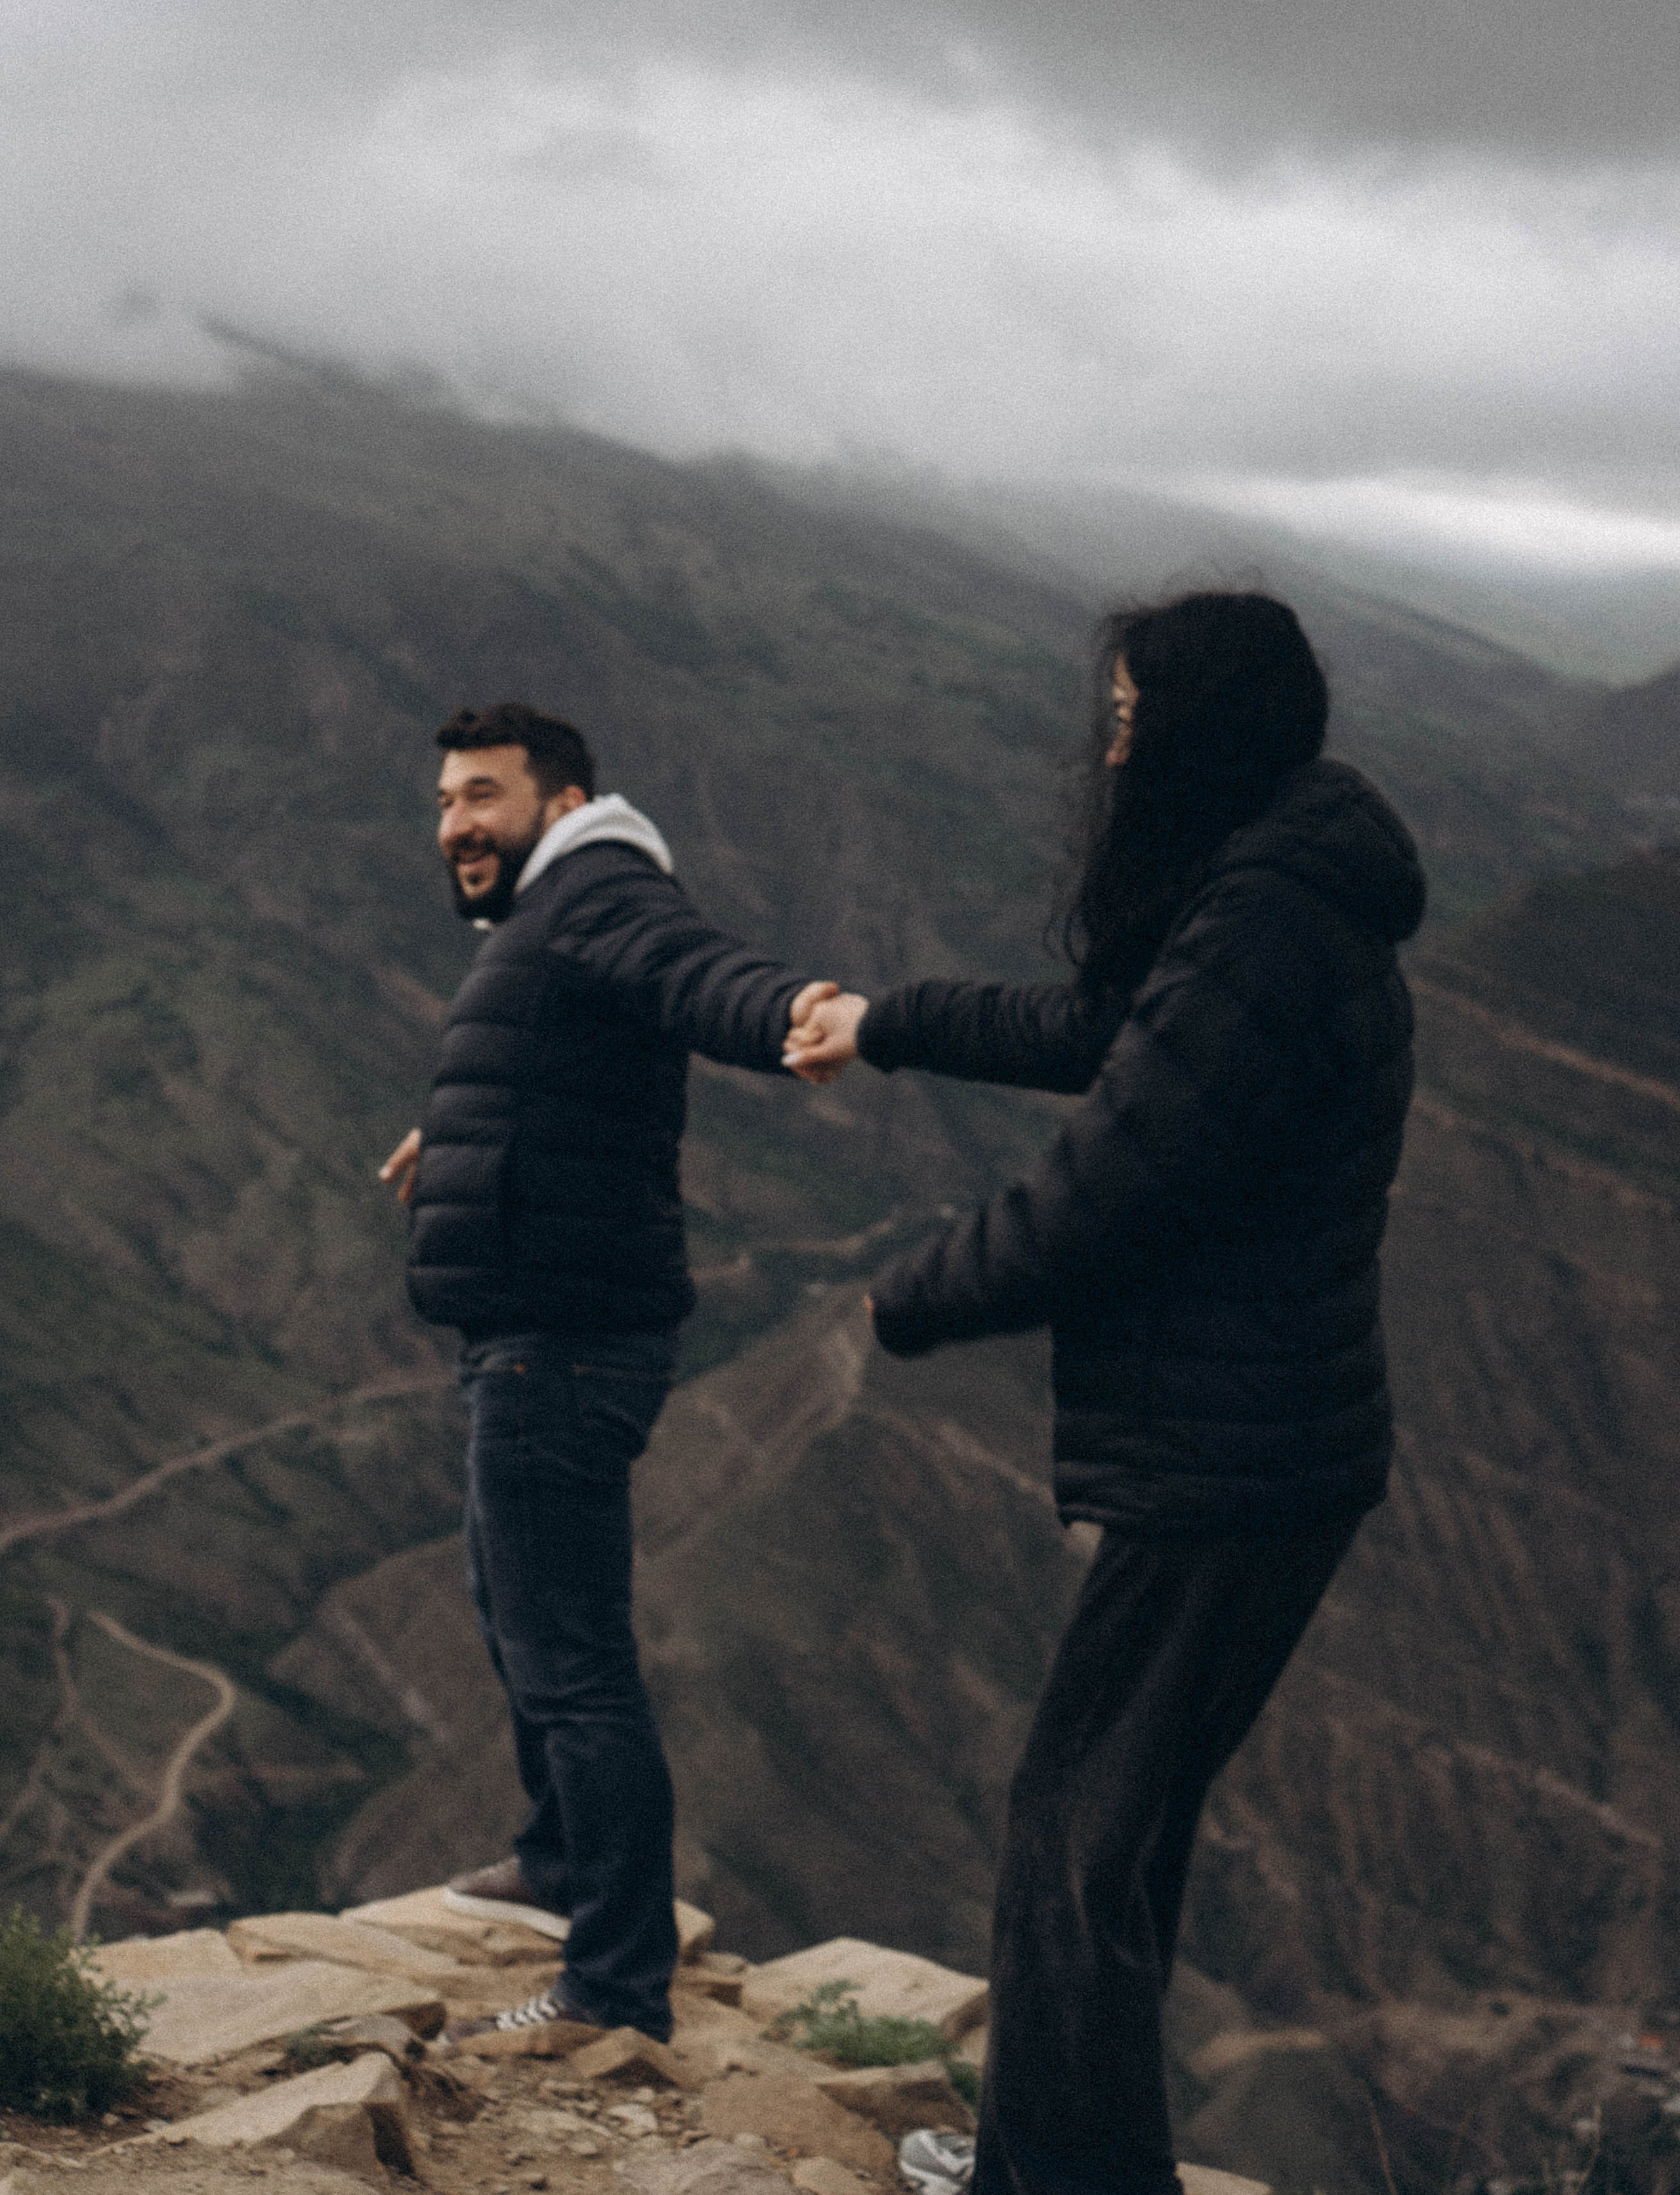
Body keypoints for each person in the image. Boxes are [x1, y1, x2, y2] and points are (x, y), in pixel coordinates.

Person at [784, 593, 1426, 2195]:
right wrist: (888, 1023)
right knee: (1107, 1841)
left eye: (1135, 718)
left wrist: (908, 1294)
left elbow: (1105, 1191)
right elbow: (1101, 1034)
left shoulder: (1267, 925)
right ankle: (1046, 2160)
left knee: (1073, 1843)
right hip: (1268, 1445)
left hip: (1231, 1461)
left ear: (1202, 730)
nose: (1114, 745)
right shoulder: (1267, 892)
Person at [380, 701, 834, 2045]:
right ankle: (559, 1859)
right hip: (532, 1331)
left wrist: (793, 1011)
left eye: (483, 796)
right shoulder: (544, 916)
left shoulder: (598, 887)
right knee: (512, 1608)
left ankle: (612, 1985)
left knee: (571, 1660)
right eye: (447, 801)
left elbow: (693, 976)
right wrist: (454, 1134)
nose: (457, 822)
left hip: (561, 1344)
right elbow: (563, 1058)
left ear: (562, 801)